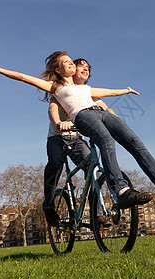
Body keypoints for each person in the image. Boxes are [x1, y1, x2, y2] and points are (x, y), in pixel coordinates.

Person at [0, 51, 155, 211]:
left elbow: (108, 92)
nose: (72, 64)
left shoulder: (85, 88)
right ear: (58, 70)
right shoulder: (56, 88)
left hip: (100, 112)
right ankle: (121, 191)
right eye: (67, 62)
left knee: (135, 142)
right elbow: (22, 77)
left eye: (71, 62)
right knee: (105, 141)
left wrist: (126, 90)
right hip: (83, 116)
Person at [44, 58, 114, 226]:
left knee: (93, 169)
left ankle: (96, 215)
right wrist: (58, 123)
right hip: (57, 137)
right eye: (81, 67)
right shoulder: (61, 89)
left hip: (76, 138)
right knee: (55, 163)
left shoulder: (85, 91)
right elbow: (52, 108)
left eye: (88, 68)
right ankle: (48, 205)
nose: (86, 70)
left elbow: (106, 109)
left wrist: (119, 125)